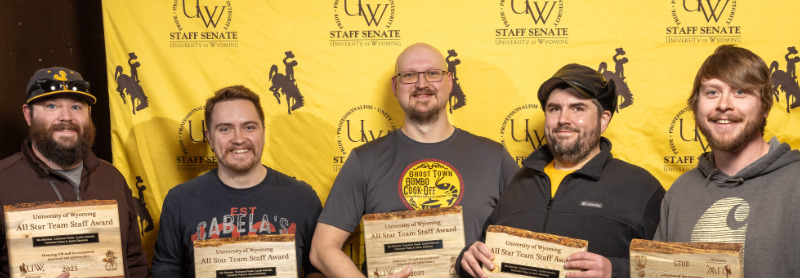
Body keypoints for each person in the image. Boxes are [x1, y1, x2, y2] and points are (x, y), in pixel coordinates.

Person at [309, 43, 519, 277]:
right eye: (409, 75)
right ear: (395, 86)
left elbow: (530, 240)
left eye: (433, 73)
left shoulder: (494, 157)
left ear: (449, 82)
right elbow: (321, 249)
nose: (421, 84)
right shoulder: (365, 160)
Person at [459, 63, 665, 278]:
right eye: (554, 108)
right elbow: (485, 256)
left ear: (603, 120)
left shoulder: (640, 187)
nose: (563, 119)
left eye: (578, 108)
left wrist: (617, 271)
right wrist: (467, 260)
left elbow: (672, 269)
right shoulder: (520, 181)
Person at [654, 45, 800, 276]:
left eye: (740, 92)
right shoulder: (680, 192)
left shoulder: (796, 183)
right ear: (696, 106)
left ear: (765, 107)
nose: (723, 104)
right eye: (712, 92)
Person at [151, 85, 323, 277]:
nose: (239, 139)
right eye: (225, 129)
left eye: (249, 127)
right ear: (209, 137)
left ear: (263, 133)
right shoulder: (179, 200)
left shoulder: (302, 198)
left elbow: (318, 267)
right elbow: (167, 266)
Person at [0, 67, 148, 277]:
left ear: (89, 114)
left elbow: (134, 263)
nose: (66, 117)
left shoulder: (112, 178)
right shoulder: (3, 182)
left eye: (76, 107)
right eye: (52, 106)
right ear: (28, 114)